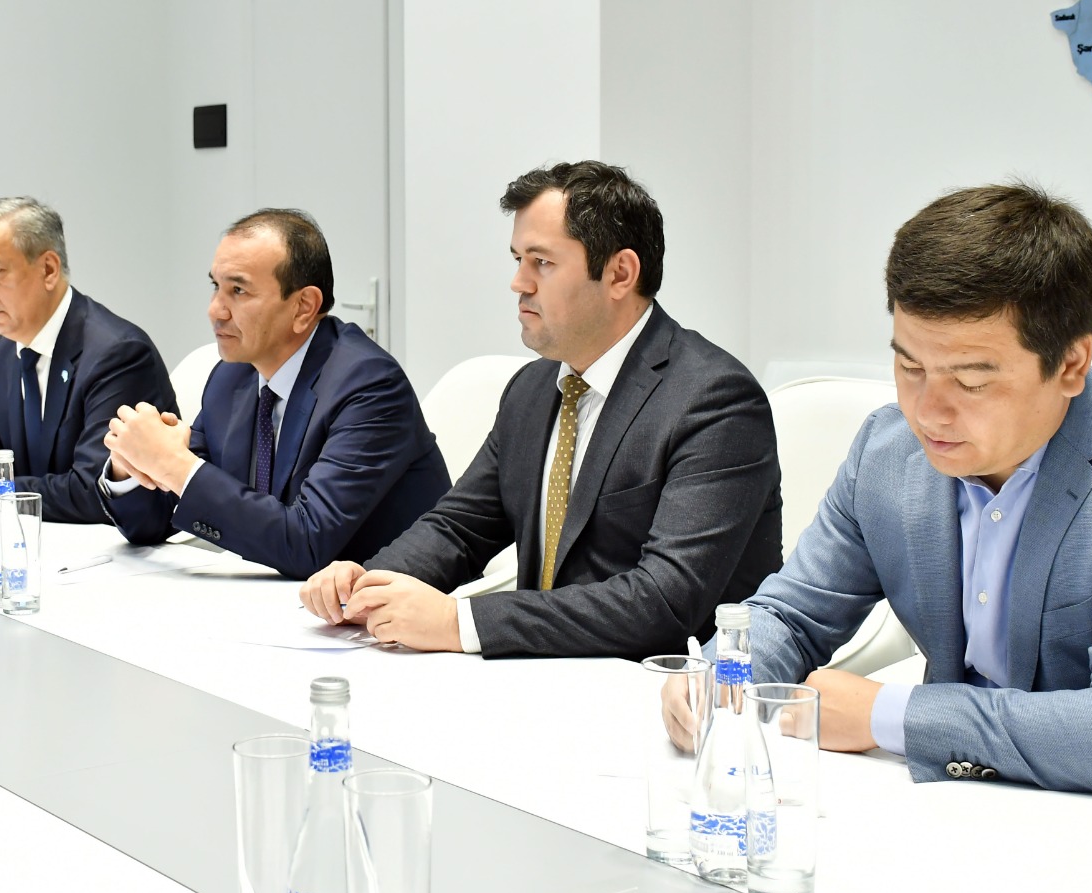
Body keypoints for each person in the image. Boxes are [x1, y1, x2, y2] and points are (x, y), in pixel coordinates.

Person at [665, 183, 1092, 820]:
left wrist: (885, 714)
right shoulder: (887, 451)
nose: (928, 412)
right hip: (965, 807)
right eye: (910, 368)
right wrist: (723, 675)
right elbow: (794, 615)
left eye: (971, 381)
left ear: (1072, 364)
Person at [299, 161, 782, 659]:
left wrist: (459, 623)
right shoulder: (533, 388)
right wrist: (369, 584)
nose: (519, 283)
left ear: (620, 273)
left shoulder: (715, 401)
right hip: (544, 672)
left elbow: (663, 601)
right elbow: (460, 528)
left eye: (542, 262)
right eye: (517, 260)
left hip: (671, 686)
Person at [101, 209, 451, 577]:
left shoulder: (369, 386)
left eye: (238, 290)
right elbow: (156, 521)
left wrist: (173, 465)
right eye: (216, 286)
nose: (215, 310)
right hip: (282, 597)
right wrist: (132, 463)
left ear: (303, 307)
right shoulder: (231, 378)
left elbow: (307, 542)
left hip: (385, 600)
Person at [0, 197, 178, 527]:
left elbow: (93, 490)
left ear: (48, 269)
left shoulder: (117, 354)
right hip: (37, 538)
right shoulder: (5, 351)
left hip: (112, 547)